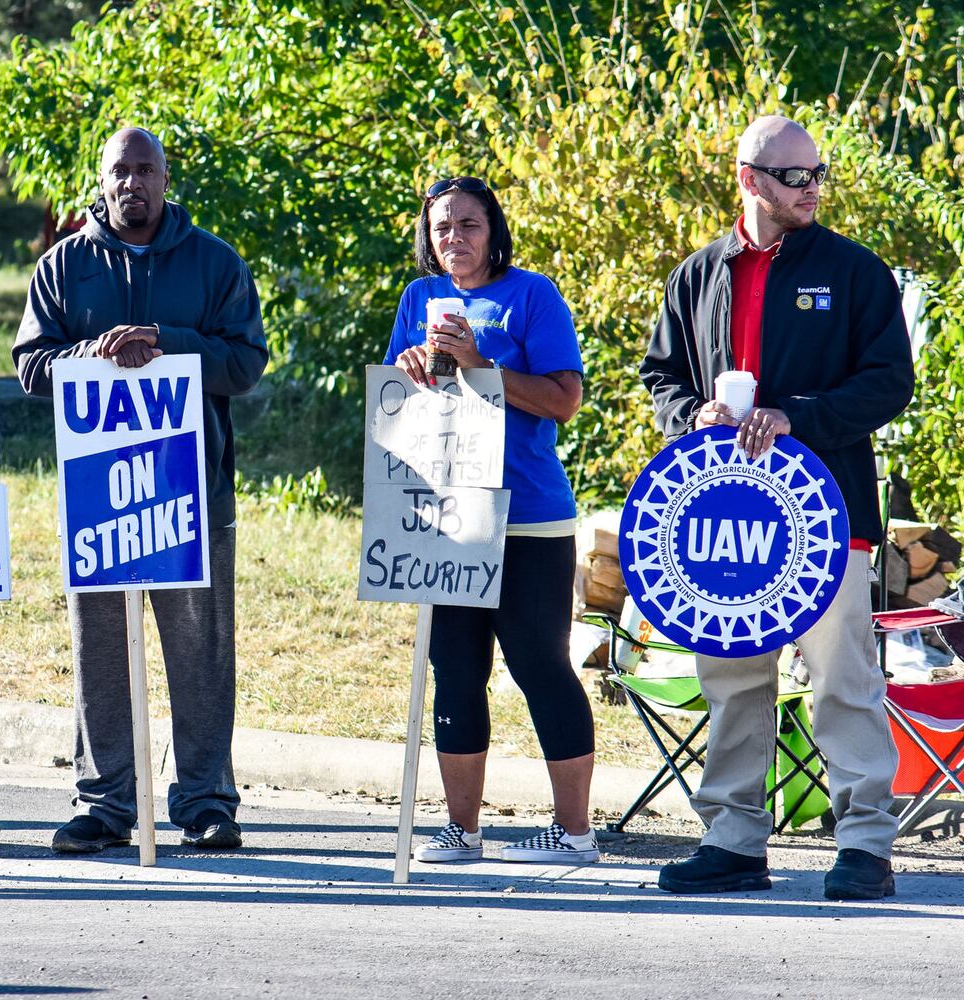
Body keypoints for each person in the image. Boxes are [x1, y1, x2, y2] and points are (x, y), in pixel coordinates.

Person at [641, 115, 914, 900]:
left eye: (818, 174)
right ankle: (732, 839)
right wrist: (688, 414)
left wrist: (796, 414)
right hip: (722, 514)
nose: (812, 189)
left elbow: (889, 380)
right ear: (749, 179)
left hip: (827, 514)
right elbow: (660, 375)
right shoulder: (697, 274)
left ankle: (865, 846)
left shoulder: (857, 272)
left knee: (842, 678)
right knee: (731, 677)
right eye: (795, 176)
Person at [13, 127, 268, 853]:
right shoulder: (63, 266)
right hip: (99, 499)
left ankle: (206, 804)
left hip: (193, 496)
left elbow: (247, 363)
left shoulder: (215, 262)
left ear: (165, 177)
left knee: (201, 655)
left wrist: (166, 340)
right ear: (101, 181)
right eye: (120, 171)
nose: (133, 183)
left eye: (146, 170)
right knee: (101, 656)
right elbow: (31, 366)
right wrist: (90, 353)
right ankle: (104, 805)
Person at [383, 176, 599, 866]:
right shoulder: (418, 299)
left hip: (530, 515)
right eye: (442, 226)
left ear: (493, 229)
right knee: (455, 669)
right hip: (449, 513)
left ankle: (574, 834)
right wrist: (413, 364)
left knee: (540, 665)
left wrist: (482, 366)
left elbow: (565, 398)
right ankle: (462, 830)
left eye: (469, 224)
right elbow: (396, 396)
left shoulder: (532, 295)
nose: (455, 238)